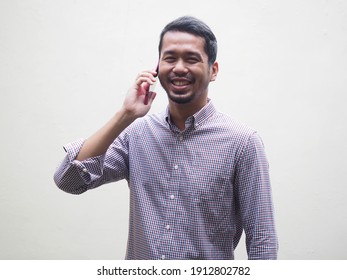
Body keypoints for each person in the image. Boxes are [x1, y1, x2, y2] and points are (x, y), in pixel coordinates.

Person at [54, 16, 278, 260]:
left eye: (191, 59)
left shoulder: (243, 143)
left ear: (213, 71)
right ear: (157, 68)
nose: (179, 67)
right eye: (170, 58)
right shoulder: (136, 134)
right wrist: (125, 115)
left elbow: (262, 241)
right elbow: (68, 181)